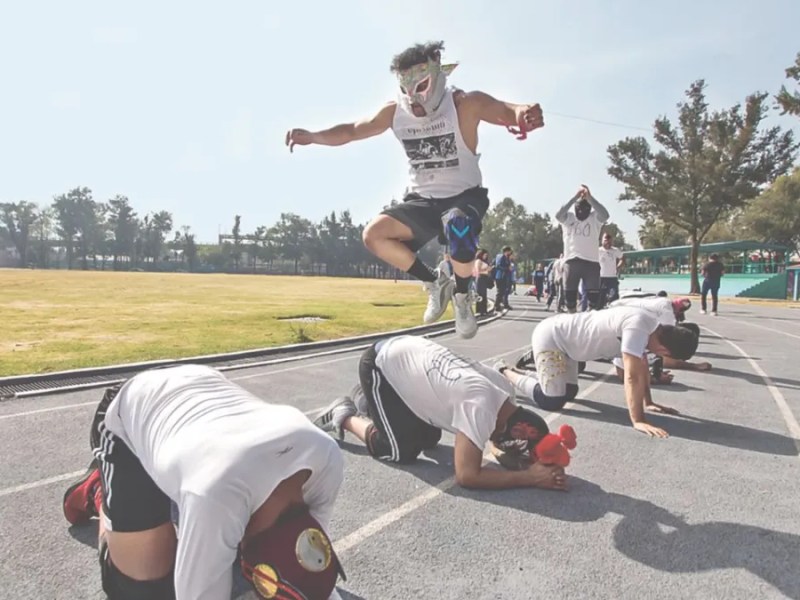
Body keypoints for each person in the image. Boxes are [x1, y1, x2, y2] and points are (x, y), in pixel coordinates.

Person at [285, 41, 545, 339]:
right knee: (373, 235)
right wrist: (314, 136)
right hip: (422, 201)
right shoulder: (395, 111)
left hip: (463, 197)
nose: (415, 99)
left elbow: (504, 109)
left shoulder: (463, 104)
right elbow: (353, 130)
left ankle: (462, 296)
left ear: (437, 75)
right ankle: (435, 282)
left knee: (459, 226)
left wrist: (523, 112)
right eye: (407, 90)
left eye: (421, 86)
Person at [62, 365, 346, 600]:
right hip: (128, 416)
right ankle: (100, 493)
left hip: (200, 395)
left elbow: (310, 565)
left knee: (211, 553)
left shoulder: (328, 458)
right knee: (143, 591)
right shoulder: (214, 498)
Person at [312, 335, 574, 491]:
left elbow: (497, 442)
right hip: (382, 366)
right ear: (513, 431)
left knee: (429, 439)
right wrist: (527, 477)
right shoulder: (480, 406)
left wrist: (517, 462)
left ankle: (370, 401)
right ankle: (345, 413)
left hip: (409, 357)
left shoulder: (504, 393)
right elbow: (467, 476)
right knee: (398, 451)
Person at [495, 307, 699, 438]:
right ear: (664, 351)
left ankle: (529, 372)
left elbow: (642, 367)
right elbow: (632, 376)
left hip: (569, 347)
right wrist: (638, 420)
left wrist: (649, 402)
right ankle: (504, 371)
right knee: (552, 400)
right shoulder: (638, 328)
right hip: (553, 337)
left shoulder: (653, 327)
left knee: (569, 392)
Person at [608, 295, 711, 382]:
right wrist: (653, 378)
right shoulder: (640, 333)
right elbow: (624, 374)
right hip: (611, 318)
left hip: (614, 306)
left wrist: (653, 373)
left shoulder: (663, 307)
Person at [555, 185, 610, 313]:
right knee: (570, 301)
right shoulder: (569, 218)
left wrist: (590, 198)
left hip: (591, 262)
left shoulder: (594, 218)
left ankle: (588, 323)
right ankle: (572, 318)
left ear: (589, 209)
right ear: (575, 208)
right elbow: (558, 215)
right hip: (572, 260)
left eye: (585, 209)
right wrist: (575, 197)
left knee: (593, 302)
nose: (581, 212)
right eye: (579, 208)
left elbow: (605, 215)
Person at [598, 232, 625, 306]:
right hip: (601, 278)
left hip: (612, 278)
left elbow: (622, 258)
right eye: (606, 241)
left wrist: (618, 267)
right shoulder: (598, 251)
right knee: (600, 299)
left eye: (610, 241)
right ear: (602, 241)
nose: (608, 243)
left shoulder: (615, 250)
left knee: (613, 297)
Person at [494, 246, 514, 311]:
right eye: (510, 251)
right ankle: (496, 305)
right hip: (500, 276)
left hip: (505, 276)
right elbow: (498, 266)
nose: (510, 252)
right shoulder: (501, 257)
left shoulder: (507, 258)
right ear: (507, 251)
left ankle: (502, 304)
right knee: (500, 291)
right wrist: (507, 268)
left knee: (503, 291)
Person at [473, 248, 492, 316]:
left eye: (486, 255)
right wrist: (486, 269)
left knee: (484, 294)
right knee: (480, 294)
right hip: (480, 277)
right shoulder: (478, 261)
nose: (485, 256)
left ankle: (484, 310)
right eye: (484, 255)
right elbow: (477, 270)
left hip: (484, 278)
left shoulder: (485, 261)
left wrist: (489, 270)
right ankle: (479, 310)